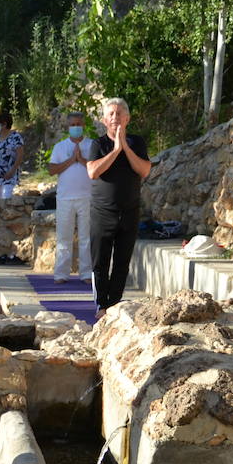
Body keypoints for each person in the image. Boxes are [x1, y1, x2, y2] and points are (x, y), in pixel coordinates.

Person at [86, 98, 151, 318]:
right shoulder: (98, 144)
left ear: (127, 118)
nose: (115, 117)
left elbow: (144, 170)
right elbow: (93, 172)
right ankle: (101, 305)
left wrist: (125, 147)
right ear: (104, 120)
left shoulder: (137, 142)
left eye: (119, 113)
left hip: (129, 211)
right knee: (100, 261)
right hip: (102, 213)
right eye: (111, 114)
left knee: (122, 262)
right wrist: (115, 150)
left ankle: (114, 304)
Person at [47, 112, 93, 283]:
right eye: (72, 125)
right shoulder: (60, 147)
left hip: (86, 197)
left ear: (84, 126)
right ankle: (61, 274)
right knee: (63, 237)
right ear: (68, 127)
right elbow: (52, 170)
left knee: (86, 237)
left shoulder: (92, 145)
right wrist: (71, 160)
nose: (76, 127)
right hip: (65, 198)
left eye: (78, 124)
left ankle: (87, 273)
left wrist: (81, 159)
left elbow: (97, 169)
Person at [0, 112, 24, 200]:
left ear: (4, 124)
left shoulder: (15, 137)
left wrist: (12, 171)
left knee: (6, 200)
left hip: (9, 176)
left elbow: (20, 155)